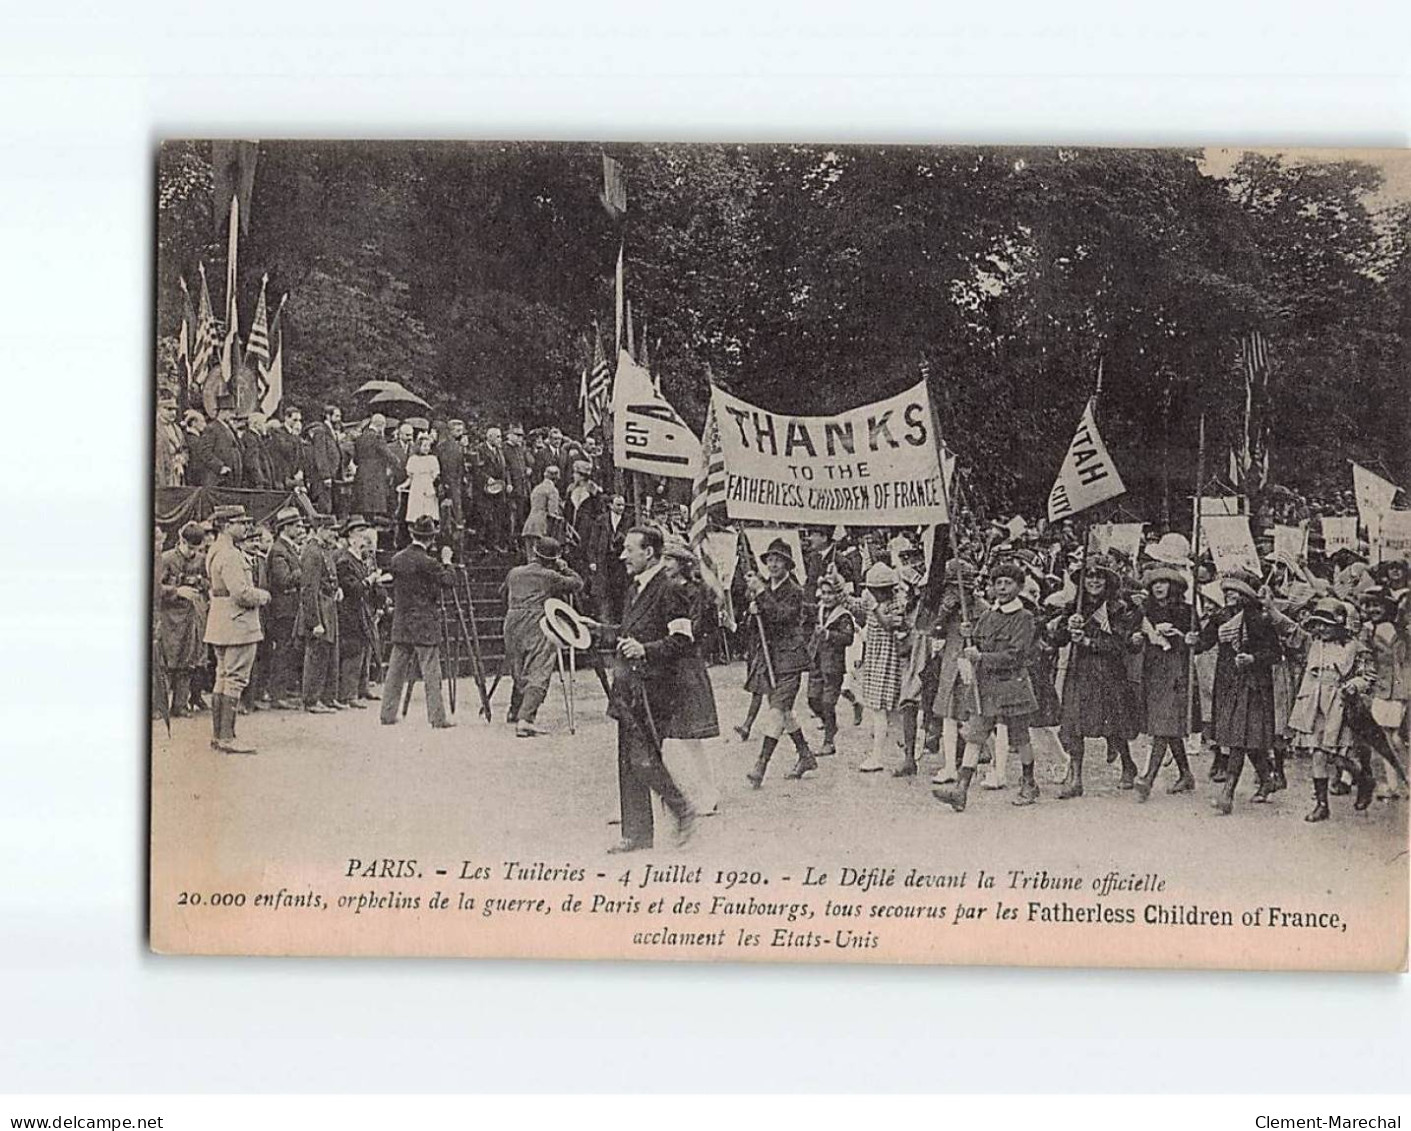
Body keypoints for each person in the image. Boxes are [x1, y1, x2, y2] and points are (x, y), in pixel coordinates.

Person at [583, 526, 698, 852]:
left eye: (629, 550)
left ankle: (682, 807)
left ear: (649, 553)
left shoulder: (670, 589)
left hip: (655, 689)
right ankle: (636, 835)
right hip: (629, 687)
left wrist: (646, 650)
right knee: (628, 760)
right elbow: (629, 633)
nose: (622, 556)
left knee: (642, 758)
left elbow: (682, 639)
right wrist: (600, 630)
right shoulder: (635, 589)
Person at [932, 560, 1042, 812]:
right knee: (975, 735)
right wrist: (966, 632)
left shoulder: (1024, 618)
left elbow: (1016, 655)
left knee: (1020, 737)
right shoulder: (988, 616)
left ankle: (1028, 783)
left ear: (1020, 586)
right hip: (987, 688)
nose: (1002, 588)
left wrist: (981, 658)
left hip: (1012, 687)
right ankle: (961, 789)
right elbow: (978, 641)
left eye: (1008, 583)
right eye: (998, 583)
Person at [1047, 558, 1142, 799]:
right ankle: (1076, 778)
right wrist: (1068, 627)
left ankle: (1128, 764)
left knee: (1113, 724)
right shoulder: (1073, 606)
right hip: (1079, 671)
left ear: (1107, 581)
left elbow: (1120, 644)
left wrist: (1088, 641)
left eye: (1099, 576)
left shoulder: (1117, 608)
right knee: (1074, 723)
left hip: (1109, 672)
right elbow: (1057, 640)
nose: (1094, 581)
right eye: (1089, 576)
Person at [1194, 569, 1284, 815]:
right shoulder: (1219, 618)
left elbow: (1275, 654)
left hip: (1254, 686)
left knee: (1238, 739)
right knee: (1246, 738)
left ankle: (1227, 794)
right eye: (1227, 590)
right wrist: (1192, 640)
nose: (1230, 595)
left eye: (1236, 591)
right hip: (1228, 684)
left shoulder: (1260, 619)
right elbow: (1204, 643)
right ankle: (1267, 779)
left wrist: (1253, 658)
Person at [1283, 598, 1375, 821]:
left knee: (1335, 755)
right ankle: (1322, 805)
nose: (1321, 628)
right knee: (1317, 753)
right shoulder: (1314, 644)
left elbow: (1369, 676)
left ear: (1339, 624)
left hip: (1339, 703)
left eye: (1326, 624)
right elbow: (1288, 628)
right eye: (1318, 624)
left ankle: (1363, 779)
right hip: (1315, 703)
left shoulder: (1355, 647)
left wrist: (1355, 685)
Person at [741, 539, 817, 786]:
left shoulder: (795, 591)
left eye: (778, 560)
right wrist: (752, 611)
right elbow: (757, 625)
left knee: (775, 711)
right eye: (770, 560)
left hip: (790, 659)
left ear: (787, 564)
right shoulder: (763, 588)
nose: (773, 564)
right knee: (784, 711)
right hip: (769, 658)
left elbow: (782, 617)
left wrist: (761, 595)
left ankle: (760, 766)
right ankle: (805, 755)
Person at [657, 544, 724, 813]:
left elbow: (692, 630)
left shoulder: (694, 592)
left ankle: (708, 792)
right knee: (656, 735)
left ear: (683, 564)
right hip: (665, 665)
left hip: (685, 666)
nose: (665, 564)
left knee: (690, 736)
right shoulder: (662, 589)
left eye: (670, 560)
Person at [380, 515, 458, 729]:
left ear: (413, 535)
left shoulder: (397, 559)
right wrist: (448, 560)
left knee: (395, 671)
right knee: (432, 672)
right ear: (431, 539)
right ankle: (437, 717)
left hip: (402, 622)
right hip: (424, 623)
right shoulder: (429, 562)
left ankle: (387, 713)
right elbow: (449, 581)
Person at [202, 505, 269, 753]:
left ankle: (220, 736)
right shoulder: (230, 554)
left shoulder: (216, 550)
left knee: (223, 677)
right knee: (235, 679)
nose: (245, 527)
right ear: (227, 526)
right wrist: (263, 595)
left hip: (221, 621)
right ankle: (227, 737)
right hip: (238, 622)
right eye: (240, 523)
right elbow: (241, 593)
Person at [1130, 564, 1201, 799]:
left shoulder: (1187, 611)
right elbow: (1132, 641)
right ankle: (1186, 774)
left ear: (1175, 587)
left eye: (1164, 583)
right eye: (1155, 583)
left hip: (1177, 670)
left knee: (1163, 724)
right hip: (1153, 671)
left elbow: (1198, 644)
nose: (1159, 587)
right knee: (1167, 725)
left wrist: (1185, 637)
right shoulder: (1144, 612)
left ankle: (1148, 779)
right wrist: (1137, 638)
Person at [502, 536, 584, 737]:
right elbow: (577, 583)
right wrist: (564, 567)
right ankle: (526, 720)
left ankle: (516, 710)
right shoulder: (549, 576)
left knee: (519, 668)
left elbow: (501, 592)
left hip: (512, 620)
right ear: (552, 559)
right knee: (540, 668)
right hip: (536, 620)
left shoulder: (514, 573)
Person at [849, 561, 911, 774]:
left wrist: (874, 607)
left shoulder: (895, 606)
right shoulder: (871, 601)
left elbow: (888, 624)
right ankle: (906, 749)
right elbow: (854, 605)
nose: (875, 593)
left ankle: (877, 756)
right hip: (875, 658)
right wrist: (838, 584)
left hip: (888, 660)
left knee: (880, 709)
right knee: (887, 712)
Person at [156, 521, 210, 718]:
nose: (192, 553)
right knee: (167, 663)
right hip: (170, 618)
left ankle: (180, 705)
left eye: (196, 549)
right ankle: (160, 707)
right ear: (181, 540)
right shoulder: (166, 559)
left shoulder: (201, 559)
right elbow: (155, 589)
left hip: (191, 617)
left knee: (188, 662)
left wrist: (199, 582)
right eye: (189, 547)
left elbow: (208, 582)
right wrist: (177, 590)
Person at [296, 514, 342, 714]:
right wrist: (314, 621)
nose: (335, 534)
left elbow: (329, 578)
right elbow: (308, 589)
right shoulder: (312, 552)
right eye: (331, 530)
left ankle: (328, 697)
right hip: (319, 607)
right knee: (317, 654)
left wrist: (337, 588)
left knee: (330, 652)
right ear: (321, 528)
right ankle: (311, 700)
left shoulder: (324, 550)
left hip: (329, 605)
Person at [334, 516, 381, 709]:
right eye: (360, 534)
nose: (364, 537)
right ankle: (349, 693)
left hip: (362, 610)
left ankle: (362, 688)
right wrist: (370, 580)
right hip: (349, 611)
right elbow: (352, 588)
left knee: (364, 649)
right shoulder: (345, 560)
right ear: (352, 538)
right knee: (353, 651)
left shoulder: (360, 559)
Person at [806, 573, 856, 757]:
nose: (826, 597)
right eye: (824, 592)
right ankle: (831, 725)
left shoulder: (843, 616)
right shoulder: (819, 610)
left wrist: (828, 635)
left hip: (833, 665)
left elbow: (848, 638)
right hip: (817, 662)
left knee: (828, 703)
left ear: (838, 595)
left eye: (831, 593)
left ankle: (829, 742)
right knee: (812, 700)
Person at [264, 506, 306, 708]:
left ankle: (283, 691)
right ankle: (277, 695)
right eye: (296, 526)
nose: (299, 529)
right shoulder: (279, 550)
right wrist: (303, 567)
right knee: (282, 650)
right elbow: (283, 580)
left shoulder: (287, 548)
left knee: (288, 650)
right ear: (285, 527)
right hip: (283, 610)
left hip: (290, 608)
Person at [353, 413, 397, 524]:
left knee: (365, 507)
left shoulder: (360, 438)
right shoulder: (378, 438)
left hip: (362, 475)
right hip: (375, 476)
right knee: (374, 507)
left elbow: (355, 459)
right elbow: (388, 455)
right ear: (381, 425)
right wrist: (398, 463)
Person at [189, 400, 244, 486]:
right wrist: (220, 467)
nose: (232, 415)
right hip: (218, 479)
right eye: (230, 412)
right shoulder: (212, 428)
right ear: (222, 412)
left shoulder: (229, 428)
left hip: (230, 478)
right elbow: (204, 452)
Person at [305, 405, 345, 514]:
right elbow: (320, 454)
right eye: (336, 416)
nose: (339, 419)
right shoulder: (320, 431)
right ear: (328, 416)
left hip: (332, 477)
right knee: (325, 508)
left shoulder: (330, 431)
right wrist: (325, 476)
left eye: (340, 416)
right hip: (322, 479)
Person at [433, 419, 467, 543]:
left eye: (461, 431)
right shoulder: (445, 446)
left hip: (457, 483)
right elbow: (446, 467)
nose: (460, 433)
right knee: (451, 513)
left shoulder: (458, 446)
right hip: (449, 484)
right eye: (458, 431)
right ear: (450, 431)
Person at [399, 432, 441, 530]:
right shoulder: (413, 459)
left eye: (428, 446)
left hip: (428, 487)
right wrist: (403, 486)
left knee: (429, 510)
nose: (427, 448)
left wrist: (430, 485)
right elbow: (410, 478)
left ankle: (429, 528)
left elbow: (435, 476)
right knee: (416, 512)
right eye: (424, 446)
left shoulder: (432, 459)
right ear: (419, 446)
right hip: (416, 488)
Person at [521, 464, 563, 557]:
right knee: (540, 558)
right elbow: (552, 512)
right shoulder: (553, 490)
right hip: (542, 527)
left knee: (530, 558)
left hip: (529, 525)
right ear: (556, 478)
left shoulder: (536, 488)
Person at [155, 394, 187, 487]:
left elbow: (185, 448)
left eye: (174, 410)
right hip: (161, 476)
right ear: (159, 409)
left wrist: (182, 459)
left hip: (177, 474)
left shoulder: (177, 429)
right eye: (168, 409)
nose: (173, 413)